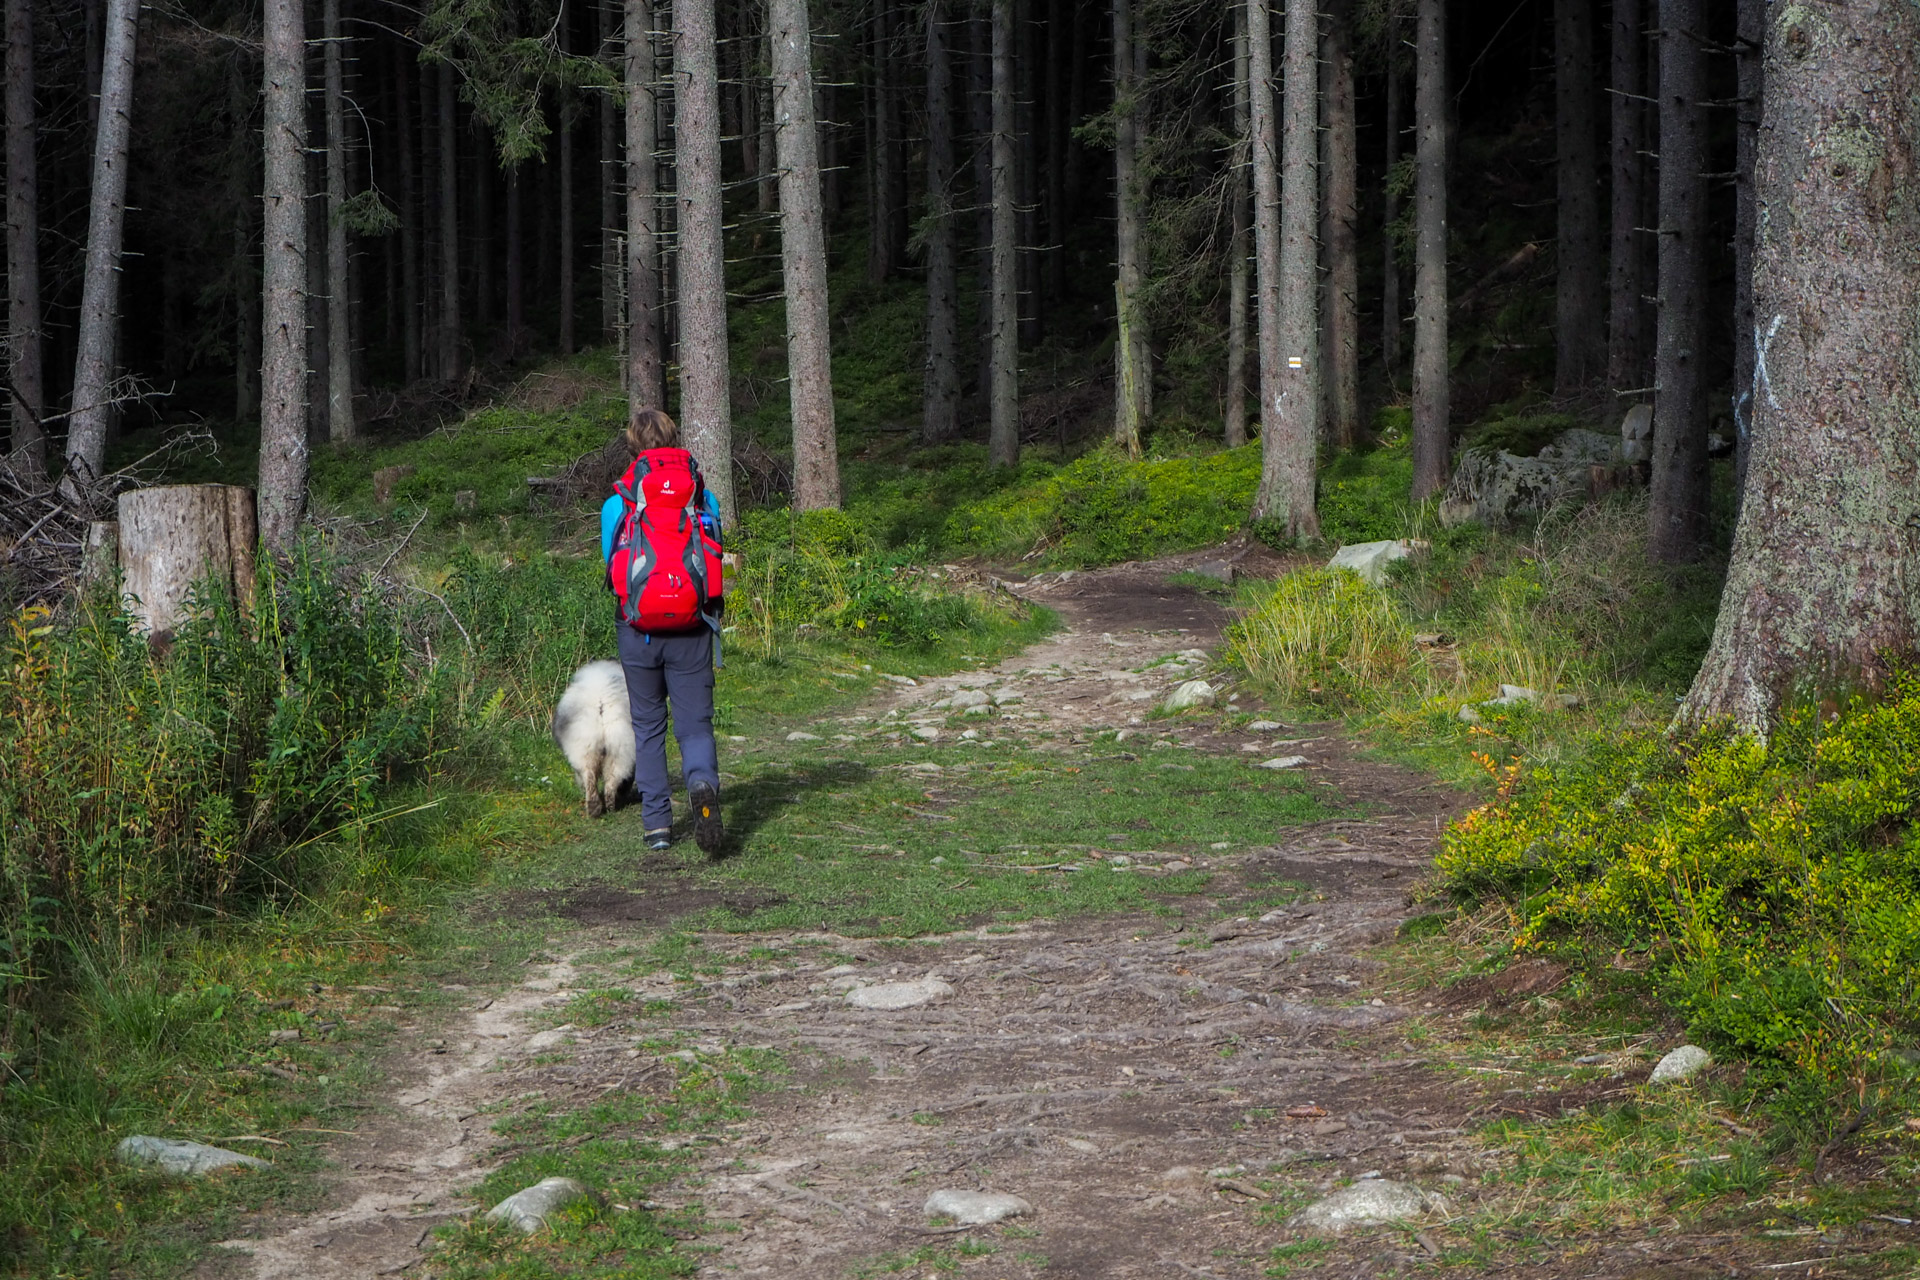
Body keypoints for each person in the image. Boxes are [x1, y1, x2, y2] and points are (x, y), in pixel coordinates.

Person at [601, 408, 725, 854]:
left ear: (633, 446)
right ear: (674, 440)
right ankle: (702, 785)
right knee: (695, 726)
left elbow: (611, 568)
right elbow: (713, 552)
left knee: (648, 725)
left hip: (638, 632)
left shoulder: (618, 501)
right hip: (693, 627)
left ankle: (657, 825)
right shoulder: (700, 498)